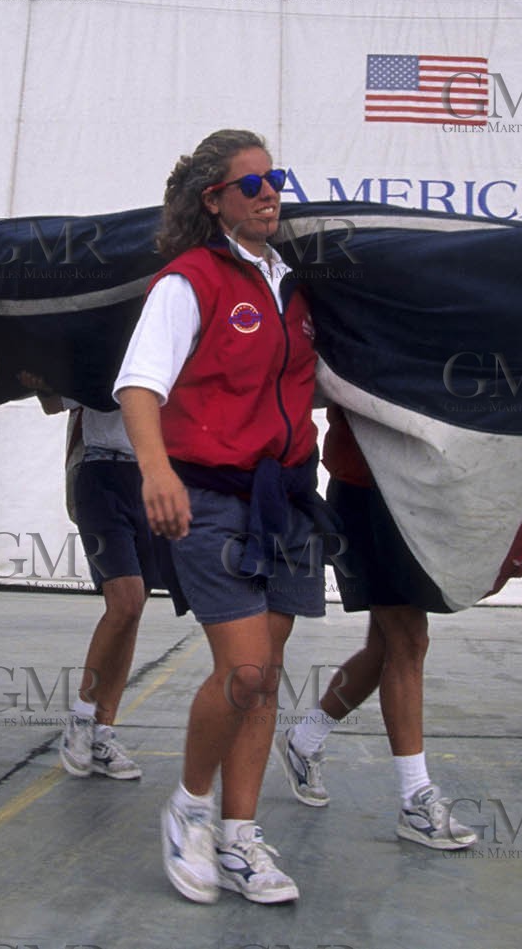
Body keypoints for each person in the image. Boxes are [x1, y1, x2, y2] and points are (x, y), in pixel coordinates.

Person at [115, 130, 320, 904]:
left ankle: (239, 836)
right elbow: (140, 386)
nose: (269, 193)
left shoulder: (292, 286)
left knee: (265, 681)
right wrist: (156, 470)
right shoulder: (189, 281)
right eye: (252, 183)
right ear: (214, 200)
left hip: (286, 499)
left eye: (276, 180)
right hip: (207, 495)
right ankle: (189, 808)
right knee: (243, 669)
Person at [272, 406, 478, 850]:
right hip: (369, 490)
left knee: (386, 646)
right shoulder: (370, 337)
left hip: (412, 492)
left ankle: (303, 741)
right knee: (408, 639)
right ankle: (414, 800)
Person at [22, 376, 147, 781]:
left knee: (133, 606)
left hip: (149, 475)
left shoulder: (170, 340)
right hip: (99, 471)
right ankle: (81, 717)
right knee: (126, 599)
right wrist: (36, 371)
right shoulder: (104, 343)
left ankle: (102, 730)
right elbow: (52, 399)